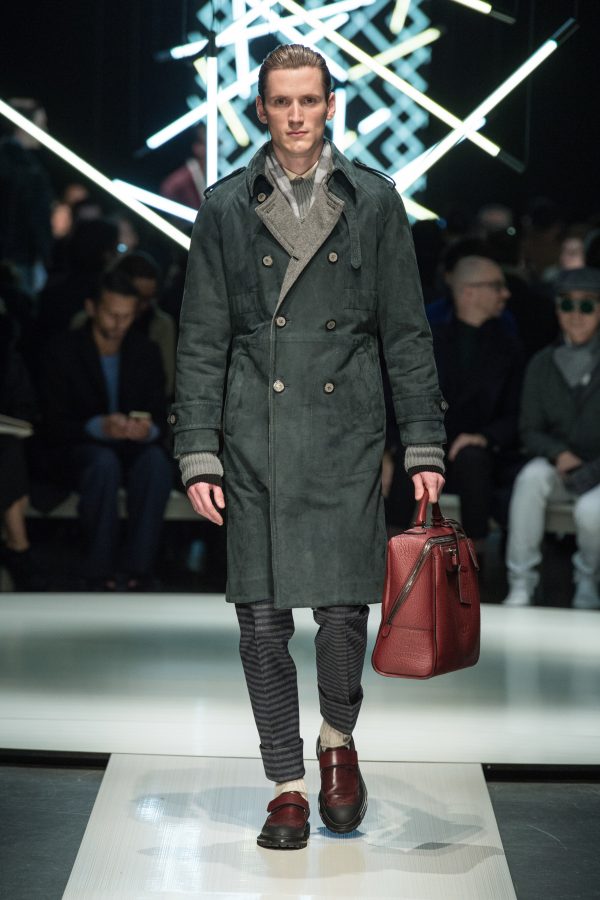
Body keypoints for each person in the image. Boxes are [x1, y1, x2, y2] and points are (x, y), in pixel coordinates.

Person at [170, 44, 446, 850]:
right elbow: (201, 338)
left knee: (340, 612)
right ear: (261, 109)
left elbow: (406, 332)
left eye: (309, 100)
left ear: (331, 105)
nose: (296, 116)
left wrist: (424, 442)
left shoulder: (374, 201)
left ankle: (336, 740)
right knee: (260, 619)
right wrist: (198, 447)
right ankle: (286, 783)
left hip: (344, 432)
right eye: (281, 102)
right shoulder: (226, 206)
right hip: (253, 432)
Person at [40, 269, 172, 590]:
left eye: (126, 316)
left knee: (156, 463)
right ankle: (99, 570)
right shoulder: (63, 350)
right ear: (92, 308)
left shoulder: (144, 351)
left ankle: (138, 570)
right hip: (77, 450)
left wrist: (147, 430)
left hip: (131, 449)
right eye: (112, 314)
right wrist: (98, 426)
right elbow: (51, 419)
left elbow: (160, 410)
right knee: (102, 463)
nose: (119, 323)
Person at [386, 256, 525, 550]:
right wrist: (387, 450)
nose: (506, 293)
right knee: (409, 454)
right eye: (497, 286)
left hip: (480, 457)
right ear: (469, 292)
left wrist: (484, 437)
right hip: (424, 444)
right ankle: (392, 558)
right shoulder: (427, 340)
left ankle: (472, 561)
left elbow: (516, 414)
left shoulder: (509, 346)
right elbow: (395, 400)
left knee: (472, 458)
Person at [503, 267, 600, 609]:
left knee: (590, 511)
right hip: (561, 464)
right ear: (557, 310)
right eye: (567, 305)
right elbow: (529, 429)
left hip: (597, 473)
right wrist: (558, 453)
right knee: (530, 479)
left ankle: (588, 581)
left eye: (587, 306)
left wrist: (589, 470)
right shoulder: (542, 363)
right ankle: (521, 582)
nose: (576, 315)